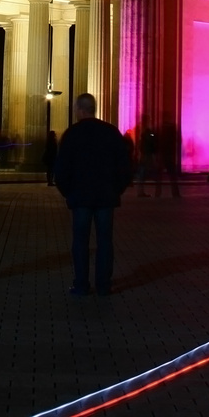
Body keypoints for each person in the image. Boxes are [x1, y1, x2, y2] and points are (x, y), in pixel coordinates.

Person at [53, 93, 132, 296]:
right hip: (106, 196)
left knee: (80, 241)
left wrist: (68, 192)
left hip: (80, 197)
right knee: (105, 241)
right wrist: (117, 189)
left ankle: (81, 284)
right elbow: (124, 166)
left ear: (80, 110)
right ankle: (103, 285)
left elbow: (61, 169)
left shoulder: (72, 134)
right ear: (93, 108)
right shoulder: (111, 132)